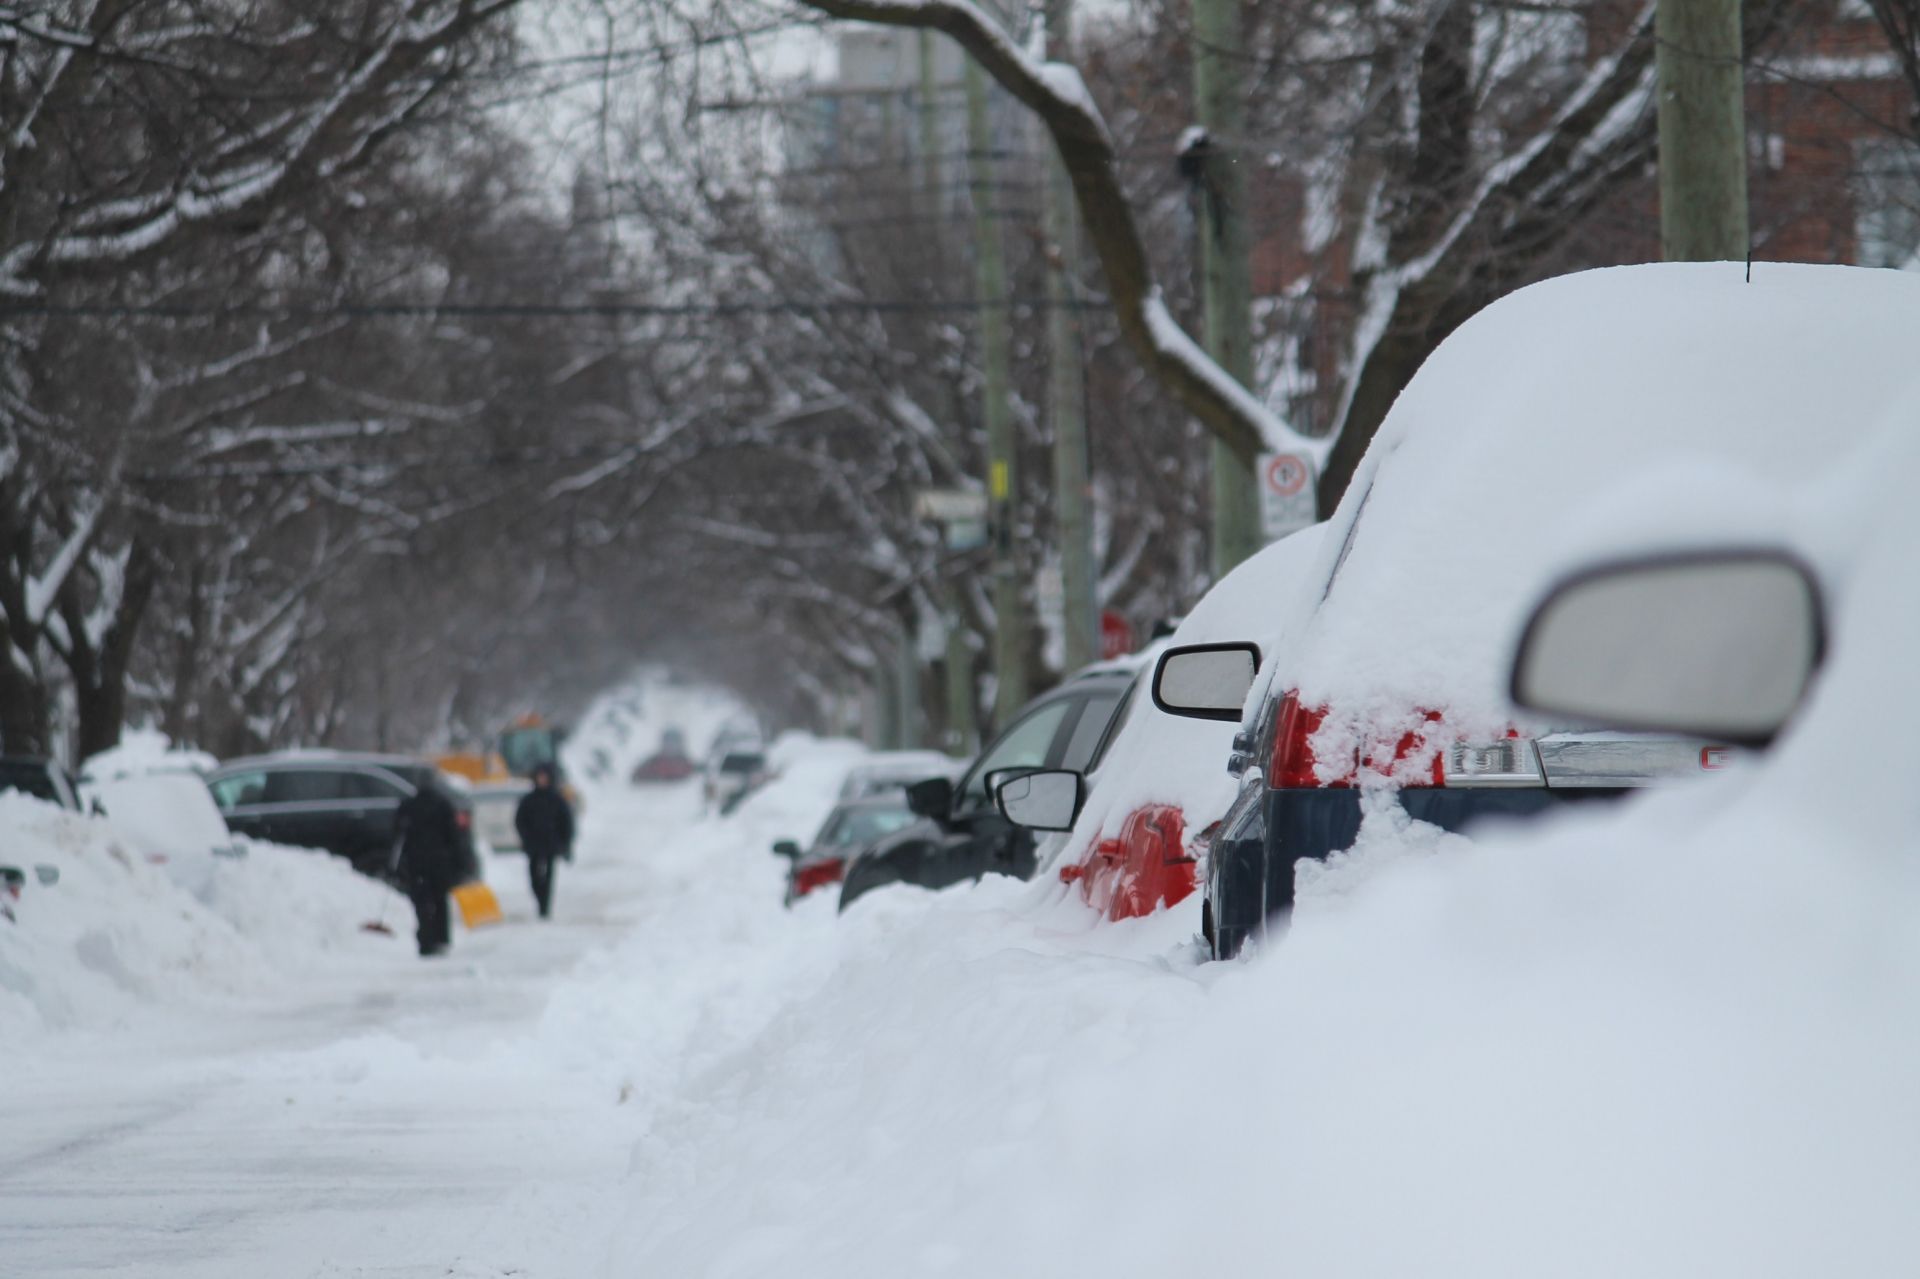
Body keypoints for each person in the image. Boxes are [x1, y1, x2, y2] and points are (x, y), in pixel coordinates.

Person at [394, 779, 464, 957]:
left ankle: (425, 939)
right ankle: (442, 937)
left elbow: (397, 833)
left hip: (416, 862)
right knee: (440, 900)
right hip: (440, 862)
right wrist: (458, 861)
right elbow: (453, 836)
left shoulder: (409, 807)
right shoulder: (443, 806)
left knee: (422, 901)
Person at [514, 765, 574, 919]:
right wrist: (525, 836)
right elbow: (520, 820)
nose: (542, 780)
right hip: (533, 843)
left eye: (545, 777)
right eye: (540, 777)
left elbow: (566, 822)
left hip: (551, 843)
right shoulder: (528, 799)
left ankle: (545, 906)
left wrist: (565, 843)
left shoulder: (557, 799)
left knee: (548, 877)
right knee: (534, 876)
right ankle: (540, 899)